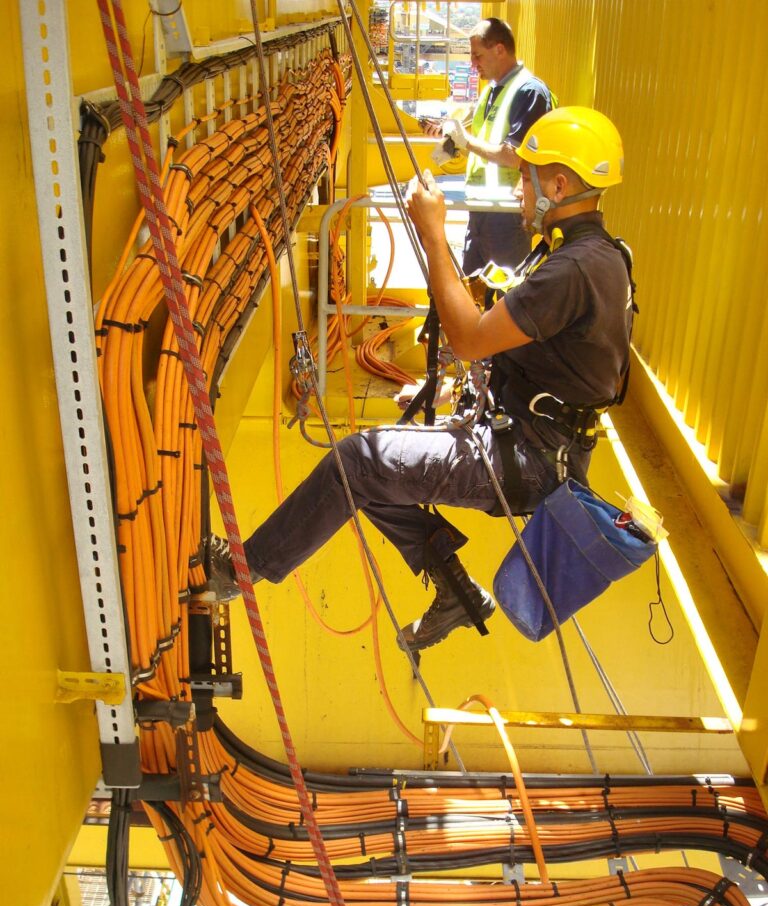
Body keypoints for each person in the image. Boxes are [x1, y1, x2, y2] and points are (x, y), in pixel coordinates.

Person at [207, 107, 633, 654]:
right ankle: (455, 590)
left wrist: (433, 234)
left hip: (529, 458)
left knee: (357, 461)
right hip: (539, 443)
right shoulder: (595, 257)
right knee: (373, 474)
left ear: (558, 183)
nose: (519, 192)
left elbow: (470, 340)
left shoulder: (571, 269)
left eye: (524, 179)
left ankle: (243, 570)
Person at [424, 18, 553, 274]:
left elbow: (514, 156)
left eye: (477, 56)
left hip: (508, 213)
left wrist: (466, 141)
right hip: (482, 210)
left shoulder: (530, 92)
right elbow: (485, 140)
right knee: (475, 290)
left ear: (500, 50)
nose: (473, 64)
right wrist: (451, 140)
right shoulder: (491, 91)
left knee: (508, 293)